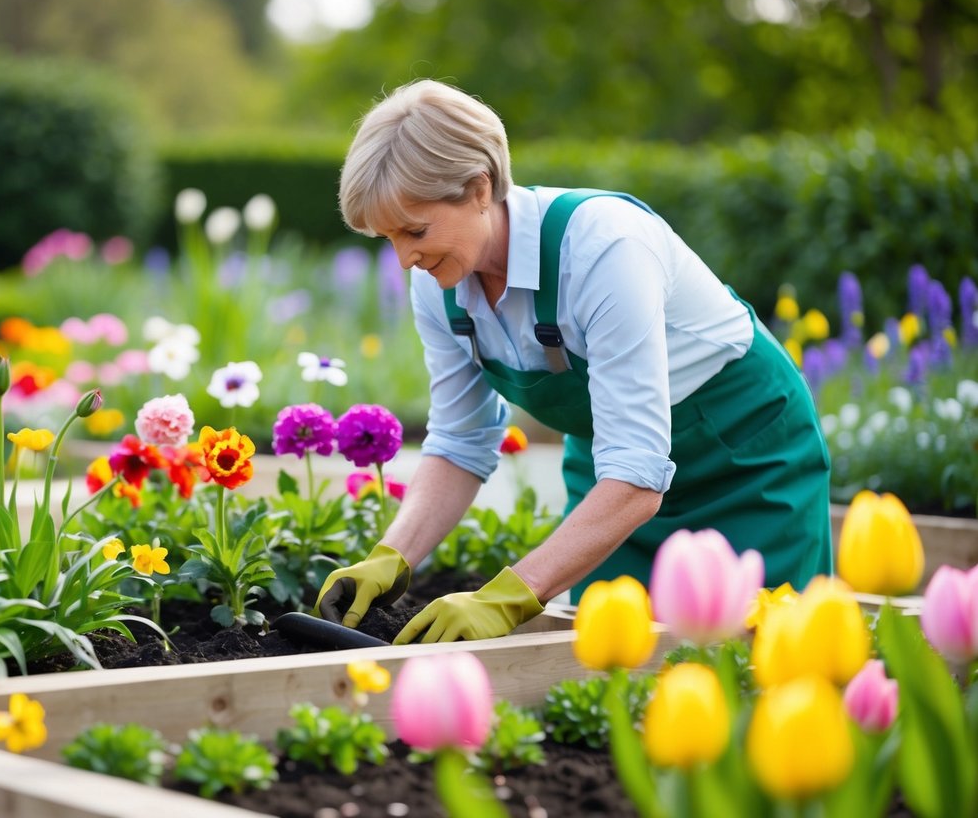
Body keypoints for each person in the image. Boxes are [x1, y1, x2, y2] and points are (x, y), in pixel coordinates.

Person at [314, 79, 833, 645]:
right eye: (388, 237)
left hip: (747, 463)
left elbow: (638, 473)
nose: (405, 257)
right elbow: (461, 442)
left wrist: (508, 597)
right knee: (613, 680)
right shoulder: (439, 282)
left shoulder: (603, 250)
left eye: (415, 230)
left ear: (480, 187)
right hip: (610, 483)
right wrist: (393, 555)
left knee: (762, 667)